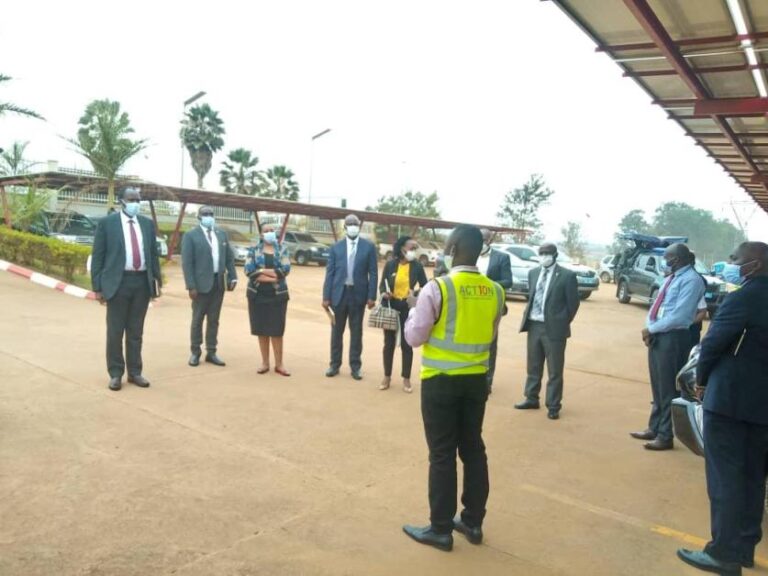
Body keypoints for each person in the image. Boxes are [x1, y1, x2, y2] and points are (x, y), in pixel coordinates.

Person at [402, 225, 504, 552]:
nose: (444, 248)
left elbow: (414, 337)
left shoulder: (438, 288)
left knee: (442, 453)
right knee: (473, 448)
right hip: (476, 382)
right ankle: (472, 522)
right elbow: (489, 336)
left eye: (447, 243)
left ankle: (441, 529)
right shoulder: (495, 291)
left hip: (441, 382)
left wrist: (413, 308)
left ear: (456, 246)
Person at [677, 242, 768, 576]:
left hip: (730, 400)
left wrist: (700, 381)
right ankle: (743, 547)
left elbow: (713, 342)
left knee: (725, 478)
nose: (731, 265)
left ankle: (723, 554)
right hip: (762, 408)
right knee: (753, 478)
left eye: (736, 260)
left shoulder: (744, 296)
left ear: (754, 265)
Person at [630, 243, 706, 451]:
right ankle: (654, 427)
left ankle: (665, 435)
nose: (664, 260)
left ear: (678, 258)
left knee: (668, 389)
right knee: (657, 385)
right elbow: (657, 306)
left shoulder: (691, 280)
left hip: (674, 337)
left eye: (667, 256)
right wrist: (650, 328)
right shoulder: (671, 278)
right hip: (659, 335)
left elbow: (681, 316)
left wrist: (652, 330)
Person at [91, 187, 161, 391]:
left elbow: (153, 255)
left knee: (136, 331)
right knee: (115, 331)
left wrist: (156, 282)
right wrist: (98, 287)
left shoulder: (147, 224)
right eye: (131, 199)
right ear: (122, 201)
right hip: (117, 283)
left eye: (138, 200)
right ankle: (115, 373)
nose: (135, 203)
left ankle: (135, 372)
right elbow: (98, 256)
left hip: (141, 283)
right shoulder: (108, 223)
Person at [515, 243, 580, 420]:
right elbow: (532, 297)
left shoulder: (567, 276)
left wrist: (561, 320)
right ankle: (531, 397)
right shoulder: (533, 273)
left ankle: (553, 405)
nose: (544, 256)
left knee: (554, 369)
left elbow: (573, 304)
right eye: (541, 253)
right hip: (534, 325)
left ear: (555, 255)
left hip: (554, 329)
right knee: (533, 365)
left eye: (547, 253)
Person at [322, 215, 378, 380]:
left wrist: (371, 296)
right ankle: (334, 364)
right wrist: (326, 297)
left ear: (359, 226)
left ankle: (355, 367)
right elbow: (330, 274)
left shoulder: (368, 247)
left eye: (355, 224)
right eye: (349, 224)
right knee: (336, 332)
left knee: (356, 332)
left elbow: (373, 273)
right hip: (339, 295)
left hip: (358, 295)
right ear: (344, 227)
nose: (353, 226)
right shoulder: (336, 248)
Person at [181, 206, 237, 367]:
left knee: (214, 320)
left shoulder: (221, 234)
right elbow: (187, 263)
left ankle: (211, 352)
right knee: (197, 319)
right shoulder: (191, 235)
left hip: (218, 283)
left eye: (211, 214)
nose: (209, 217)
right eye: (205, 214)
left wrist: (233, 277)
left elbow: (229, 258)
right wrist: (190, 285)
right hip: (199, 285)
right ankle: (195, 352)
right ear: (199, 217)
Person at [379, 236, 428, 393]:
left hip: (408, 309)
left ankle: (406, 379)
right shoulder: (390, 265)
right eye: (411, 248)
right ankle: (387, 377)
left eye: (415, 248)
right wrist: (384, 293)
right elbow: (382, 286)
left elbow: (426, 287)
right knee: (389, 344)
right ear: (401, 249)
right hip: (391, 307)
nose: (414, 251)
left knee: (407, 345)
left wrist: (415, 293)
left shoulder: (418, 267)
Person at [245, 225, 292, 376]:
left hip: (278, 295)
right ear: (261, 234)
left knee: (277, 330)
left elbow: (285, 270)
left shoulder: (282, 249)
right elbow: (249, 271)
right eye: (266, 231)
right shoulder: (254, 249)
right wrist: (272, 275)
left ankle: (279, 364)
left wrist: (261, 271)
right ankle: (265, 362)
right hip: (257, 295)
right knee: (262, 329)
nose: (269, 233)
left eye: (272, 230)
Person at [478, 229, 512, 394]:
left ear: (490, 240)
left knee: (490, 344)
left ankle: (487, 382)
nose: (483, 241)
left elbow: (508, 281)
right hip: (470, 305)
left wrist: (487, 284)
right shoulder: (469, 255)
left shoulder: (502, 257)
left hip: (491, 307)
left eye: (485, 239)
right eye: (480, 238)